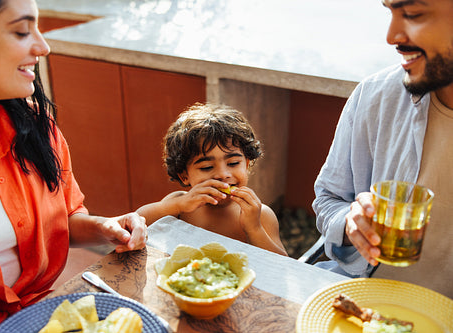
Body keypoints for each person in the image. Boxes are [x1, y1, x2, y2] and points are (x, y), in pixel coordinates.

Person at [0, 0, 148, 331]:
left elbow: (65, 219)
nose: (43, 46)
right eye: (21, 31)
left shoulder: (34, 127)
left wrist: (104, 227)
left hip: (46, 315)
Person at [313, 0, 453, 298]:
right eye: (390, 12)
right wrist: (351, 222)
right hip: (361, 303)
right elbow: (329, 199)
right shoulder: (375, 95)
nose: (391, 36)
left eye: (413, 14)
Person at [136, 103, 288, 256]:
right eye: (207, 167)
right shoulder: (179, 206)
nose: (222, 174)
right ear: (184, 176)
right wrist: (177, 205)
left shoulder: (260, 215)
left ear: (247, 165)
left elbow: (283, 267)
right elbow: (138, 222)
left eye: (233, 163)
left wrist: (254, 229)